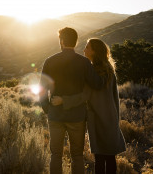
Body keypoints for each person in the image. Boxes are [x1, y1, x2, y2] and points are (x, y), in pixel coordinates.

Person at [51, 38, 126, 174]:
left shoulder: (93, 72)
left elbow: (84, 96)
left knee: (100, 159)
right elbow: (116, 99)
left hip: (98, 119)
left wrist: (63, 100)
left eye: (87, 47)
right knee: (110, 158)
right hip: (111, 118)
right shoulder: (109, 70)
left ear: (94, 51)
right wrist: (116, 119)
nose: (84, 50)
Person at [39, 28, 105, 174]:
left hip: (55, 115)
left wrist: (48, 109)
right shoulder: (84, 62)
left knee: (55, 155)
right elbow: (97, 84)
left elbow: (42, 90)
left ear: (61, 41)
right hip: (77, 117)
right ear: (75, 42)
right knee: (77, 155)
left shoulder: (50, 61)